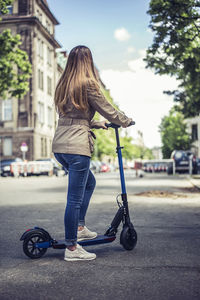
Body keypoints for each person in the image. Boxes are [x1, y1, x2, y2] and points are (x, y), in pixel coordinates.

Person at [52, 45, 133, 262]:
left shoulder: (63, 84)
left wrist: (96, 124)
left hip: (60, 146)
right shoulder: (88, 84)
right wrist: (125, 121)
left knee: (89, 183)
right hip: (77, 148)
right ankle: (71, 248)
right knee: (74, 199)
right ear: (88, 62)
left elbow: (73, 116)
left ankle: (79, 227)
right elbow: (108, 108)